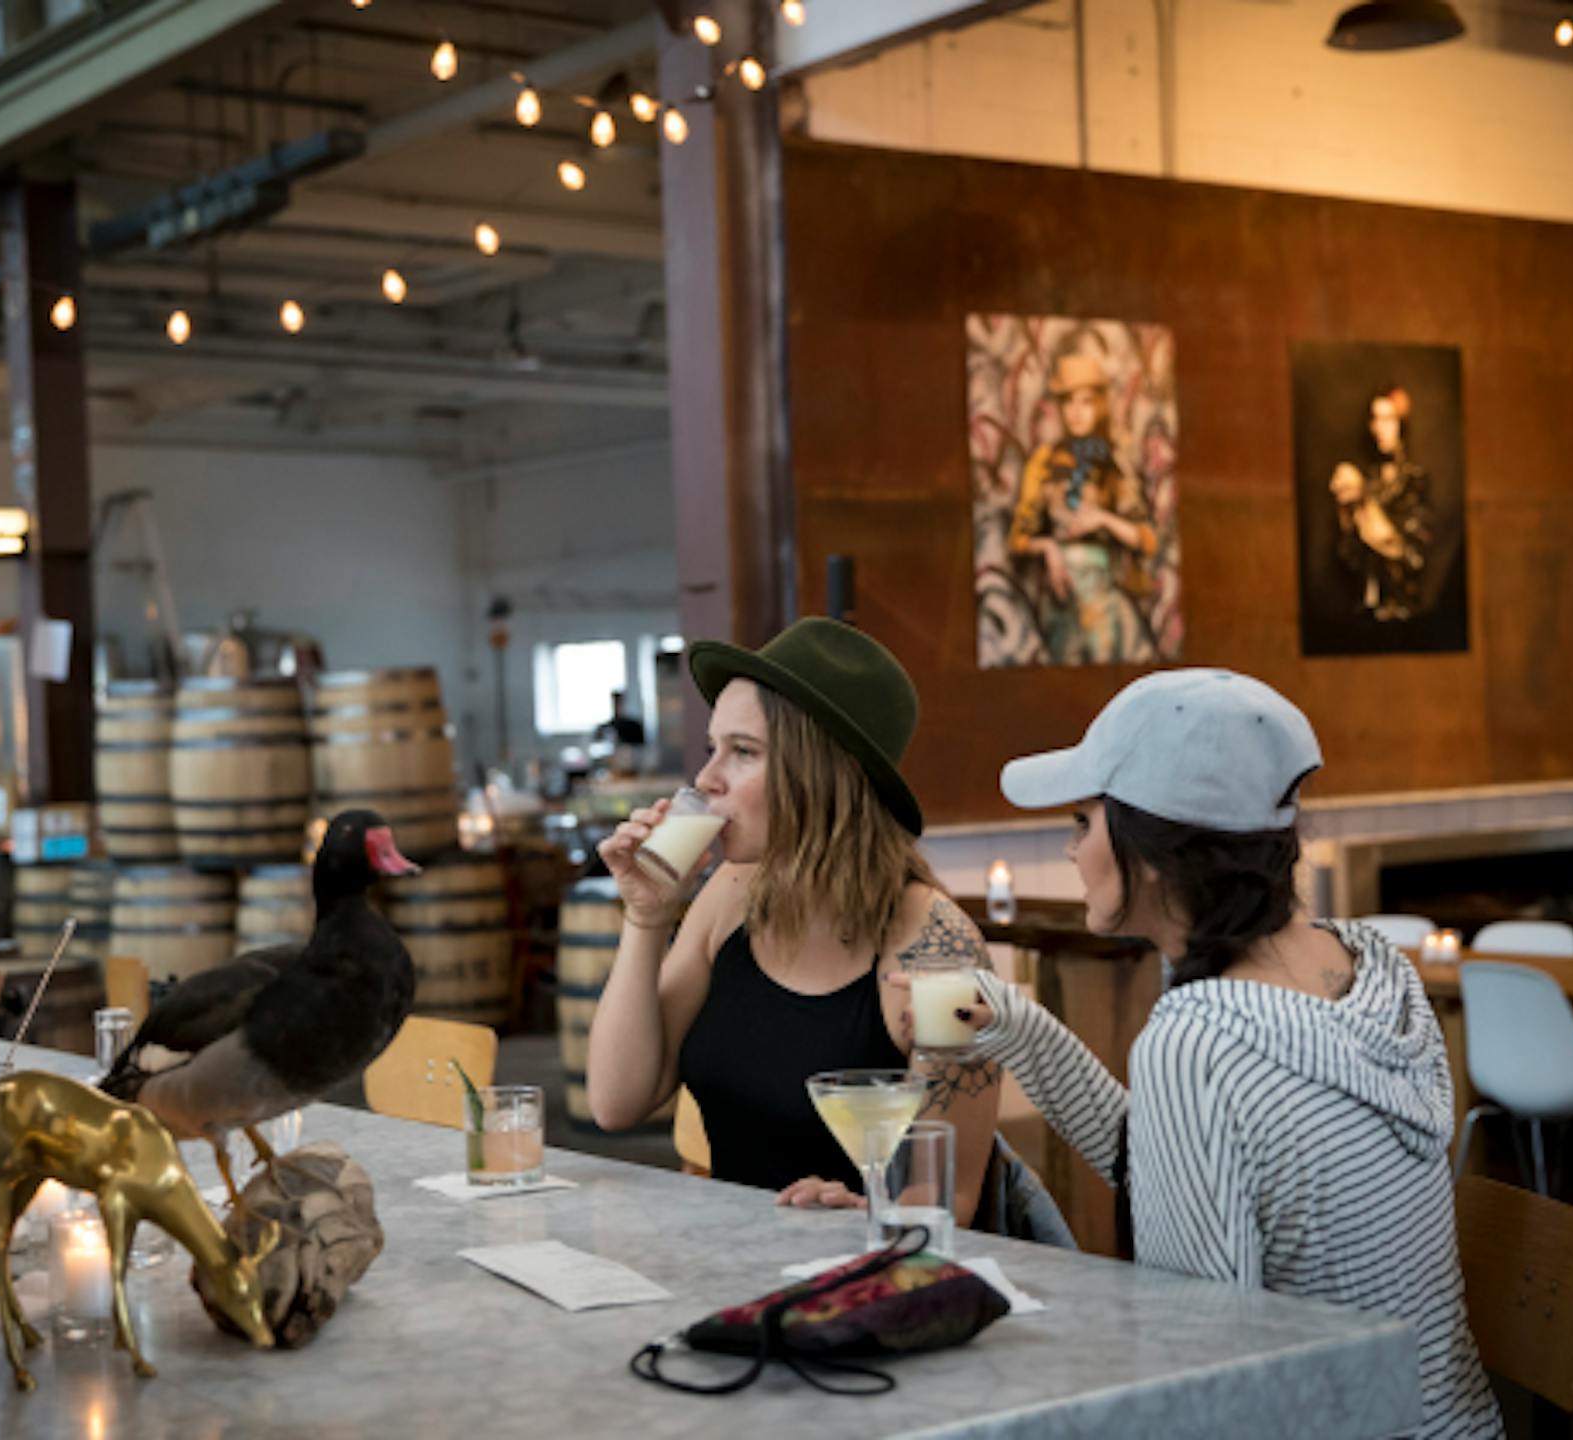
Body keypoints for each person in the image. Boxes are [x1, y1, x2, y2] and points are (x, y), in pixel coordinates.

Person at [946, 669, 1498, 1439]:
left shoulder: (1197, 1043)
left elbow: (1204, 1372)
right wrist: (1014, 1023)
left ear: (1154, 846)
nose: (1071, 848)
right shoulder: (1377, 967)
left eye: (1082, 820)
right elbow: (1178, 1156)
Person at [586, 618, 1008, 1228]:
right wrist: (647, 917)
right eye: (713, 748)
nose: (706, 778)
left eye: (744, 752)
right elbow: (616, 1102)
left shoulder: (934, 949)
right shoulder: (728, 896)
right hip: (732, 1269)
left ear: (824, 776)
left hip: (863, 1282)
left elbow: (945, 1198)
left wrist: (869, 1211)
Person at [1009, 351, 1159, 664]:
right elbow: (1017, 539)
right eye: (1068, 402)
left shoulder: (1113, 464)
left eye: (1086, 402)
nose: (1076, 412)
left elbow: (1147, 539)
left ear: (1100, 405)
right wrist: (1048, 546)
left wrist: (1103, 519)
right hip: (1060, 597)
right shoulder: (1045, 461)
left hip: (1103, 596)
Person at [1329, 384, 1433, 622]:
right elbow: (1349, 554)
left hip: (1403, 611)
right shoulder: (1368, 478)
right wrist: (1346, 510)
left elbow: (1404, 551)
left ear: (1401, 423)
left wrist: (1364, 500)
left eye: (1388, 419)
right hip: (1366, 608)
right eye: (1375, 419)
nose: (1379, 427)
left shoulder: (1413, 480)